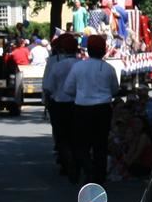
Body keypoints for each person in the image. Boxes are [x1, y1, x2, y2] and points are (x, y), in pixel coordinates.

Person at [69, 33, 119, 184]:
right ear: (103, 51)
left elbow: (68, 89)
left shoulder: (78, 67)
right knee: (100, 144)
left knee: (82, 143)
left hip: (82, 108)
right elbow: (115, 89)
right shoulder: (108, 68)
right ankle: (99, 175)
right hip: (103, 109)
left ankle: (87, 169)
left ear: (88, 50)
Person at [42, 34, 80, 177]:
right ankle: (75, 161)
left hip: (59, 103)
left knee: (61, 135)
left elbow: (48, 86)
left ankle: (66, 162)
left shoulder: (56, 64)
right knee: (75, 134)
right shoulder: (80, 64)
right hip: (77, 104)